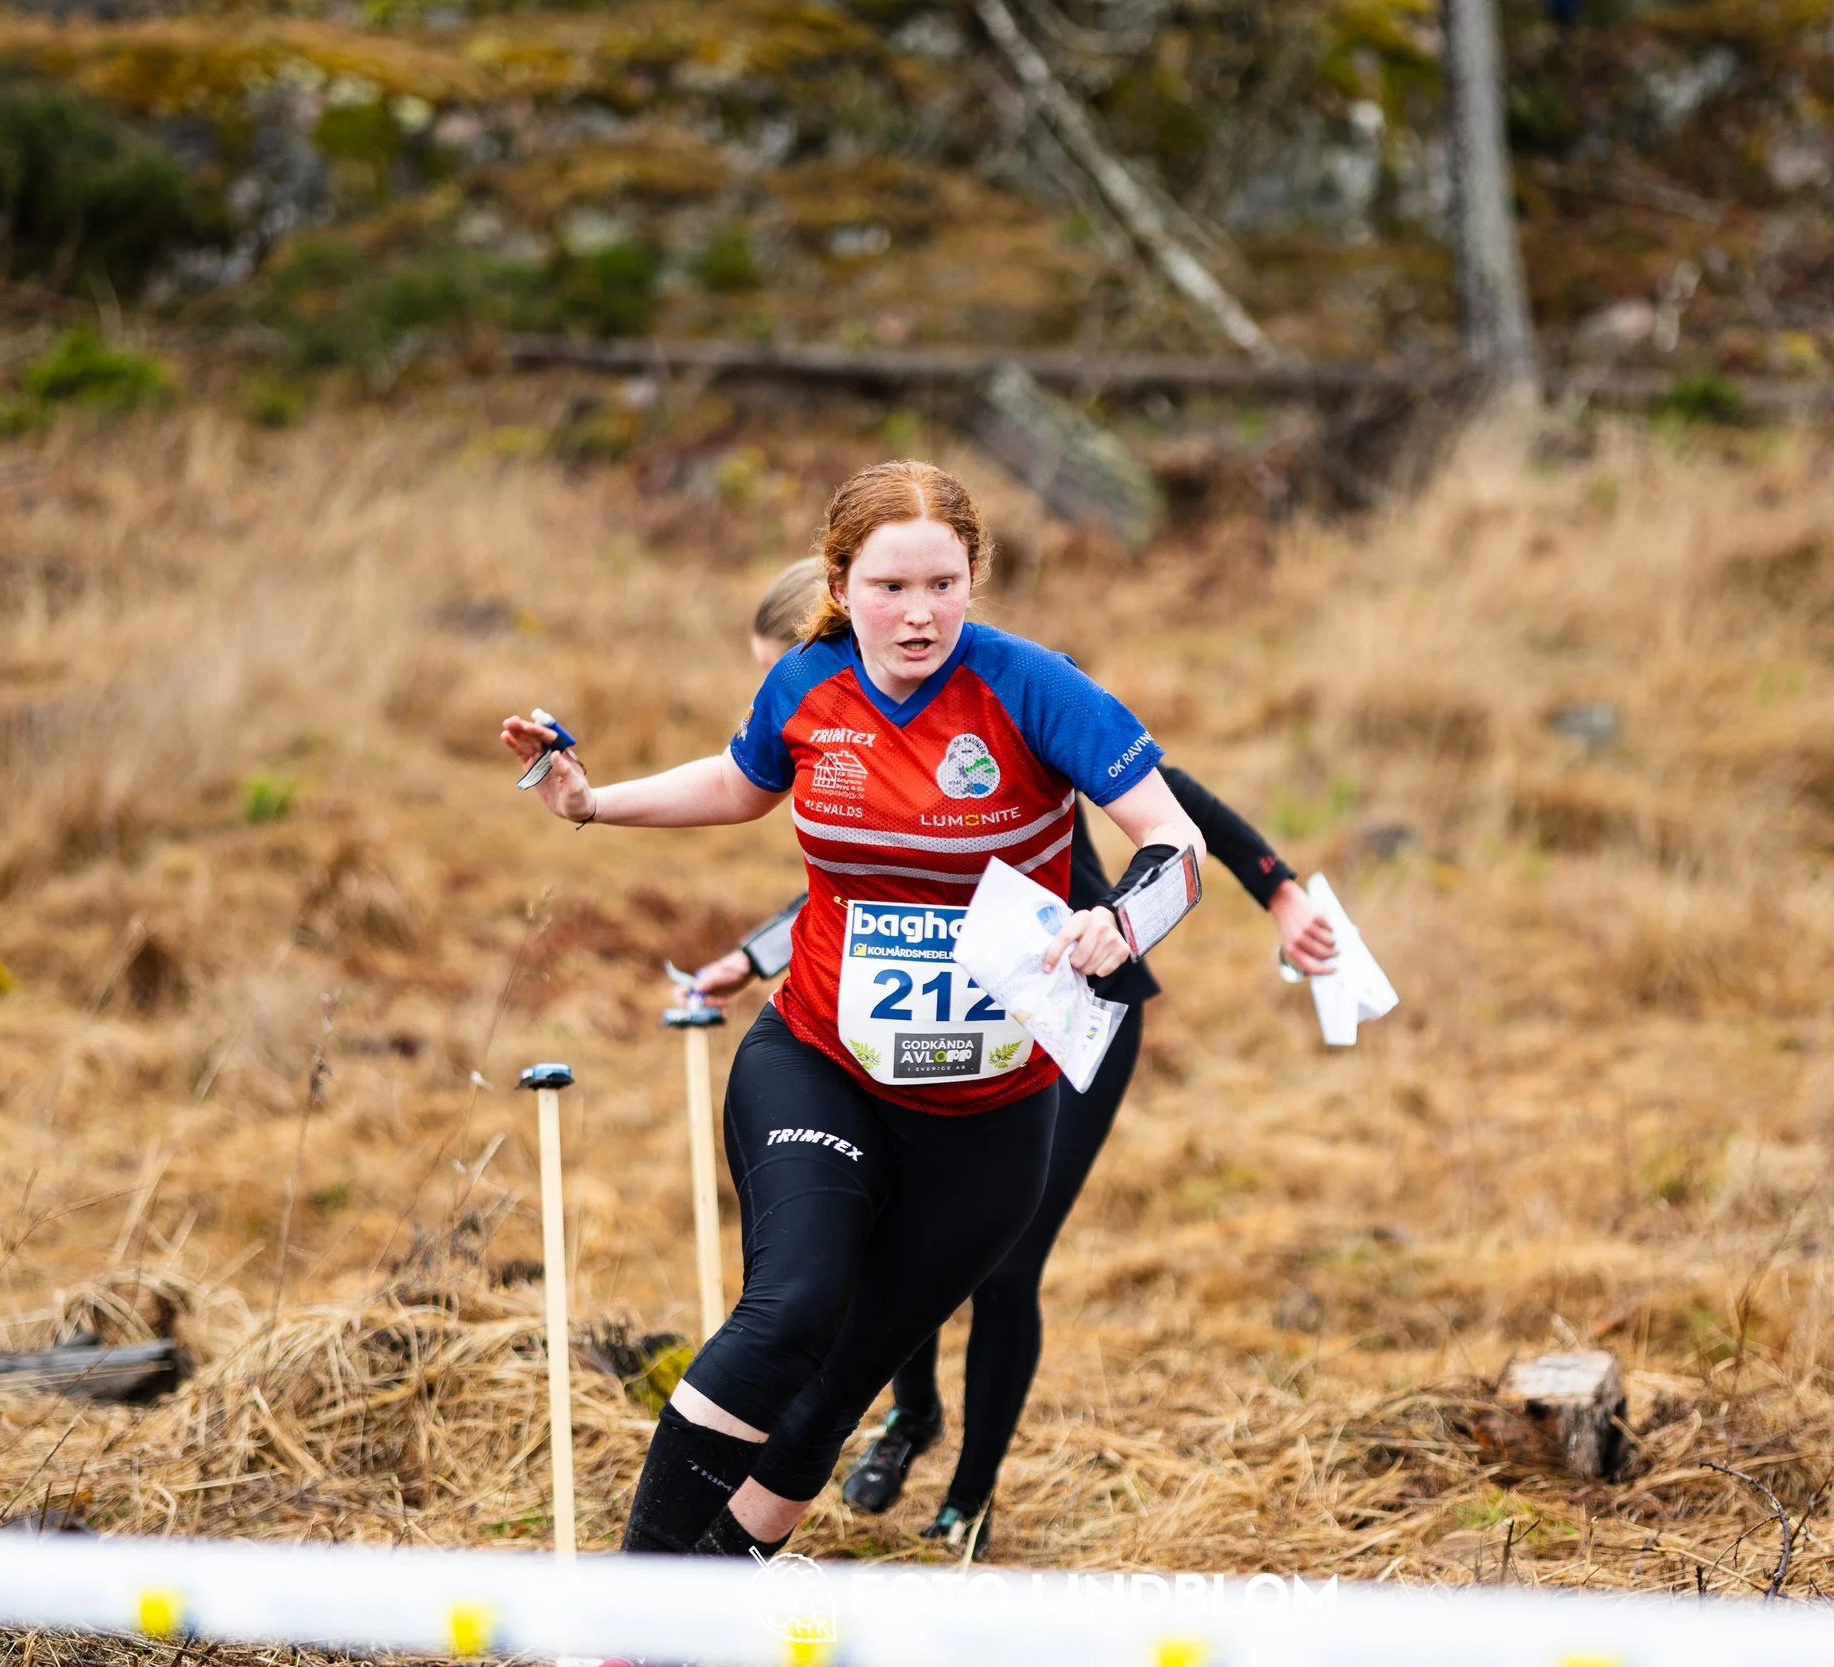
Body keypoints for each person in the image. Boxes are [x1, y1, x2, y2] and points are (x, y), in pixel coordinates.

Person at [501, 461, 1205, 1559]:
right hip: (820, 1057)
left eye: (943, 584)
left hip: (990, 1114)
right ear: (839, 584)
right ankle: (636, 1600)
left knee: (830, 1397)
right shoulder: (807, 683)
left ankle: (706, 1598)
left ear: (974, 577)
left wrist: (1123, 918)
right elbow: (738, 784)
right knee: (792, 1310)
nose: (920, 614)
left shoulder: (1034, 687)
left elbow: (1176, 841)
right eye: (890, 587)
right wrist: (592, 803)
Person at [688, 561, 1337, 1558]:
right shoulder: (842, 731)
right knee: (890, 1240)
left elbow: (1177, 803)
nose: (787, 705)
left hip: (1073, 1012)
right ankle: (910, 1415)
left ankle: (970, 1497)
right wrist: (749, 957)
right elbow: (865, 885)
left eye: (789, 672)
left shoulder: (1010, 703)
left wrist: (1281, 892)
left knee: (1004, 1261)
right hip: (940, 1023)